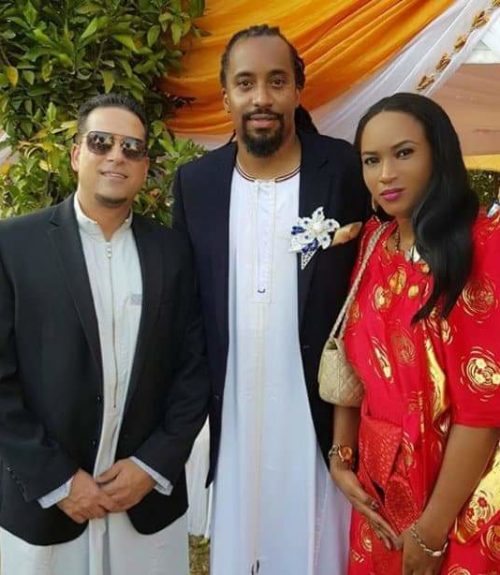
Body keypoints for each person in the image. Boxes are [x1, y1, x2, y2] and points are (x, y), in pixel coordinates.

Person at [173, 24, 369, 575]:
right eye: (246, 83)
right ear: (226, 96)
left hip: (316, 412)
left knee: (317, 548)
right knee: (242, 547)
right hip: (232, 408)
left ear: (298, 91)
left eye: (277, 81)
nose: (261, 97)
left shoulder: (344, 169)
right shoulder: (196, 184)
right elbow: (188, 309)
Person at [0, 93, 210, 575]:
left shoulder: (174, 253)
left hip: (144, 503)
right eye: (101, 142)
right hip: (48, 505)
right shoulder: (13, 246)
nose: (117, 155)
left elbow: (194, 369)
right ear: (77, 154)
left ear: (145, 166)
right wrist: (57, 480)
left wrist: (152, 465)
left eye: (132, 147)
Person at [330, 92, 500, 574]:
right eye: (371, 160)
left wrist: (431, 533)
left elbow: (483, 409)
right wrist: (341, 456)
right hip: (379, 497)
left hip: (459, 504)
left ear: (438, 155)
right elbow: (350, 364)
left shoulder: (483, 246)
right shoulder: (374, 242)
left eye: (403, 153)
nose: (385, 173)